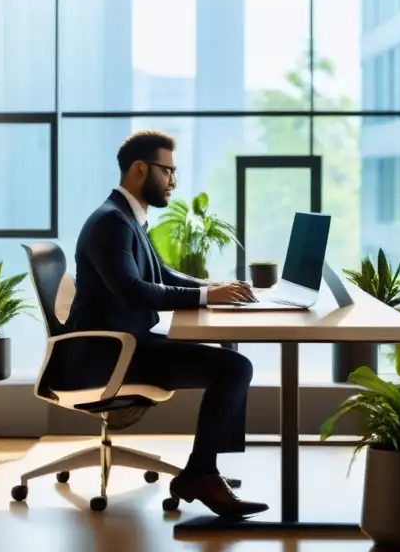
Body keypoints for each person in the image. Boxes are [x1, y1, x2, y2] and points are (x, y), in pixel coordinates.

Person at [62, 130, 269, 519]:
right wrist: (208, 297)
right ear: (141, 169)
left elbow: (160, 271)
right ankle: (202, 474)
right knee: (235, 368)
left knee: (231, 362)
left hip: (124, 344)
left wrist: (211, 286)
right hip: (110, 356)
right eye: (168, 171)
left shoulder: (125, 216)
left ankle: (207, 469)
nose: (173, 181)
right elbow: (134, 291)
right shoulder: (112, 223)